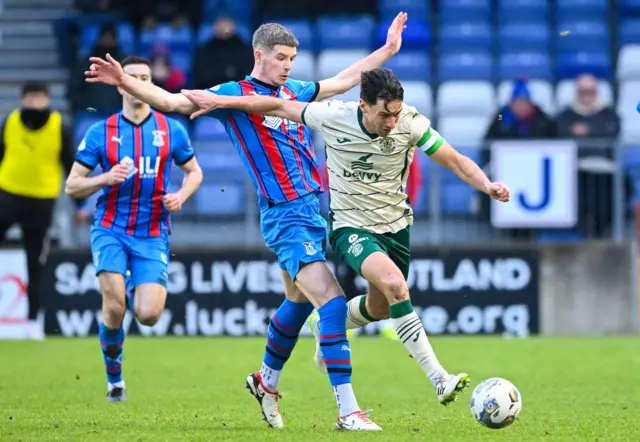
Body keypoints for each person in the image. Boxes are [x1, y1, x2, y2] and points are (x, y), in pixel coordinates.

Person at [84, 13, 408, 431]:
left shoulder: (293, 90)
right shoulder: (233, 95)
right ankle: (348, 411)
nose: (288, 65)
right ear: (259, 55)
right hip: (286, 214)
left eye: (292, 58)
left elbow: (344, 80)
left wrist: (387, 50)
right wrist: (125, 82)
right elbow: (174, 102)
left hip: (314, 210)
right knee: (330, 301)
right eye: (281, 58)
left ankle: (265, 381)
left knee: (296, 301)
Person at [181, 67, 511, 406]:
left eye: (396, 113)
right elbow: (277, 107)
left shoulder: (411, 123)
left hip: (396, 226)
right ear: (363, 105)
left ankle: (326, 326)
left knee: (381, 307)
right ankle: (440, 378)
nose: (391, 122)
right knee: (397, 286)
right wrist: (220, 100)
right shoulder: (332, 116)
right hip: (351, 227)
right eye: (384, 114)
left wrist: (487, 185)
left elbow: (453, 160)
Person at [65, 56, 203, 402]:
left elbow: (195, 172)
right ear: (120, 83)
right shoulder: (101, 132)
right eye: (134, 77)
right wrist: (104, 179)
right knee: (114, 307)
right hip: (110, 227)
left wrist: (181, 196)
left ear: (152, 84)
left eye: (146, 77)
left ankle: (129, 283)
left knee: (149, 315)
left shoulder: (171, 129)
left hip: (153, 231)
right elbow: (72, 186)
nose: (141, 82)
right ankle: (115, 381)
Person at [0, 81, 88, 340]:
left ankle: (32, 321)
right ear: (23, 99)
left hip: (41, 201)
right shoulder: (10, 121)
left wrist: (79, 203)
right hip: (7, 195)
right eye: (31, 98)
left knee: (34, 262)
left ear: (48, 100)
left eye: (40, 98)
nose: (35, 104)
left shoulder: (59, 126)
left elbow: (69, 163)